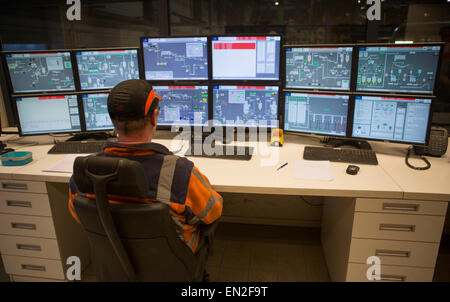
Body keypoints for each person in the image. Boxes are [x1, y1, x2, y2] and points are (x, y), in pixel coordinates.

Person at [68, 79, 223, 253]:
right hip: (171, 259)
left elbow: (80, 214)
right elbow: (212, 212)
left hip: (115, 255)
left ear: (112, 120)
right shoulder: (179, 173)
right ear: (153, 117)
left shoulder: (84, 173)